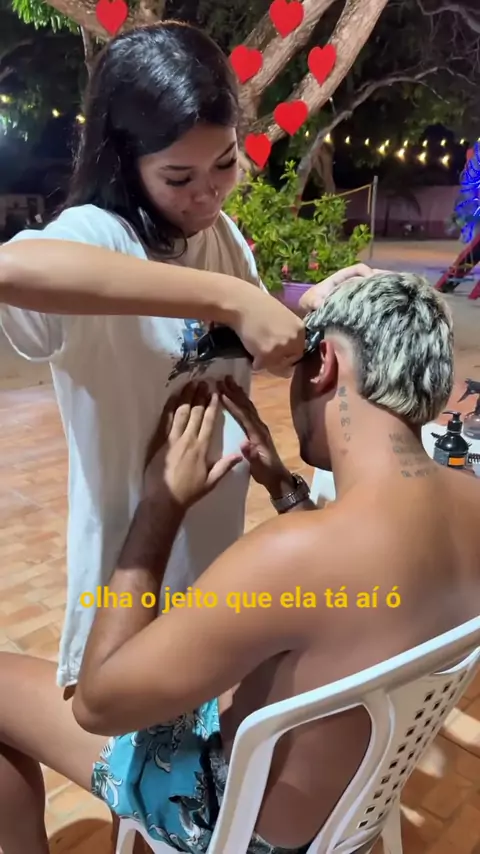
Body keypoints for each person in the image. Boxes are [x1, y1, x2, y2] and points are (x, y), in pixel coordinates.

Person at [1, 271, 479, 854]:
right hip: (347, 808)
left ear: (324, 363)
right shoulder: (470, 502)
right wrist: (284, 488)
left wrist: (159, 508)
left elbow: (98, 704)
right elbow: (358, 592)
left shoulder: (293, 556)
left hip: (233, 820)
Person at [0, 20, 309, 692]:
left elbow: (255, 333)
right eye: (178, 177)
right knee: (121, 733)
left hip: (210, 562)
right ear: (125, 161)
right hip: (123, 577)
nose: (209, 193)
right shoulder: (96, 235)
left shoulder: (220, 236)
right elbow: (11, 270)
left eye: (225, 163)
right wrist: (228, 297)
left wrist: (310, 307)